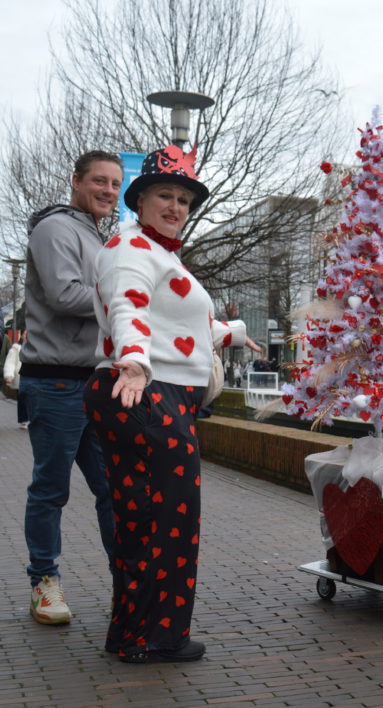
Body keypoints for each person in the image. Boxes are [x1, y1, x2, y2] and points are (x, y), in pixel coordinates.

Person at [83, 145, 261, 663]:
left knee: (149, 518)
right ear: (139, 200)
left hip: (155, 390)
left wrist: (231, 333)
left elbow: (177, 325)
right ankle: (150, 637)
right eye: (165, 195)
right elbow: (129, 306)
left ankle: (137, 634)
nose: (176, 206)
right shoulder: (131, 248)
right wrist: (135, 361)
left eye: (184, 199)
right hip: (145, 390)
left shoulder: (156, 253)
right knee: (165, 522)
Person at [19, 151, 122, 625]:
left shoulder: (96, 235)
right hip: (57, 381)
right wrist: (128, 300)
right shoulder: (55, 229)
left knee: (115, 488)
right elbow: (64, 295)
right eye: (99, 181)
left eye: (115, 184)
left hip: (95, 379)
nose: (108, 191)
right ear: (76, 181)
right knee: (50, 489)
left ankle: (127, 581)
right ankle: (44, 581)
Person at [4, 330, 29, 428]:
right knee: (22, 399)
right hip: (21, 377)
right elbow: (10, 362)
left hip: (34, 377)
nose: (27, 335)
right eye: (25, 333)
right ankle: (24, 420)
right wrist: (9, 375)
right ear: (21, 335)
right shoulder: (16, 348)